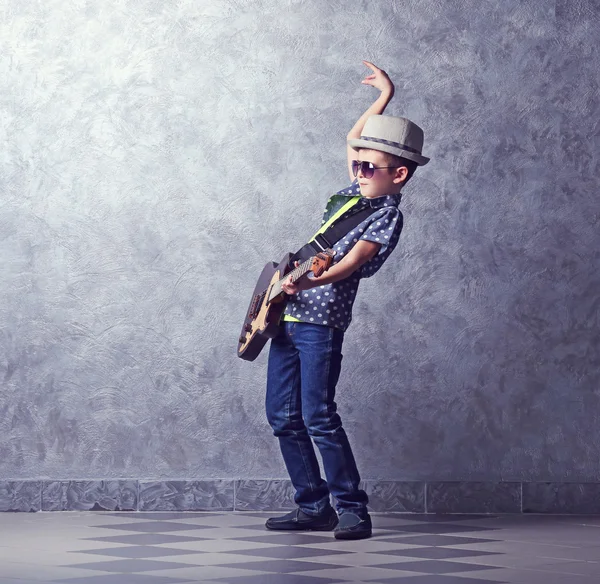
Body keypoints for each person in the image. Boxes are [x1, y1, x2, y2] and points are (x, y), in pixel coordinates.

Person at [264, 61, 430, 540]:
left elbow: (349, 264)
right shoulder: (350, 193)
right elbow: (353, 140)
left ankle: (353, 508)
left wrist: (306, 284)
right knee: (282, 416)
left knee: (318, 414)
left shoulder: (385, 217)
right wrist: (383, 98)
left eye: (369, 167)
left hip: (321, 323)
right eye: (357, 165)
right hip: (288, 316)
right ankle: (313, 505)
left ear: (399, 175)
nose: (357, 169)